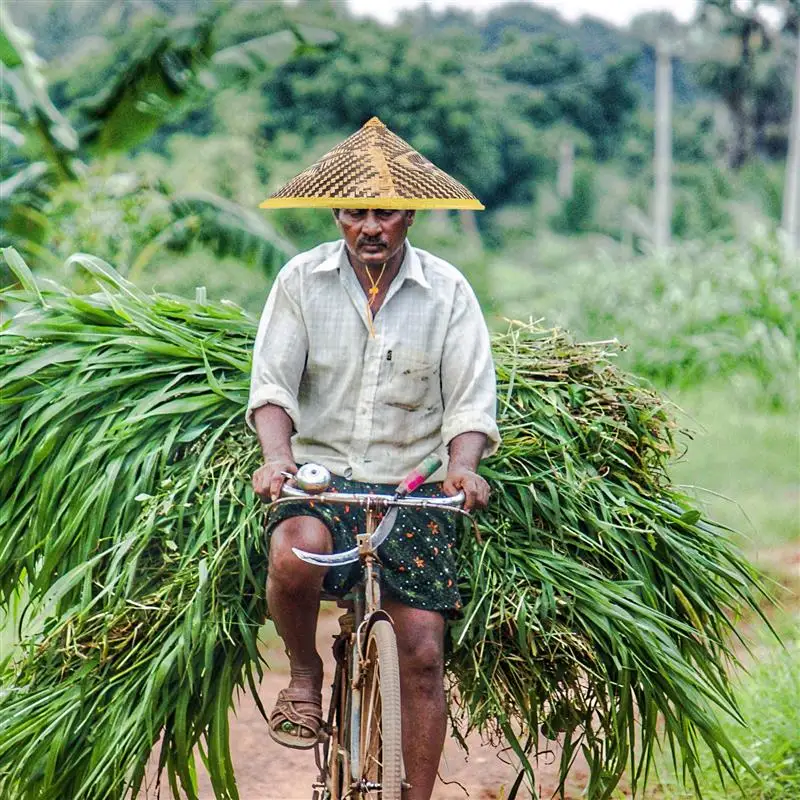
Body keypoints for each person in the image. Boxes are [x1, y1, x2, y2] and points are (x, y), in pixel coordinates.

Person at [247, 117, 500, 800]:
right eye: (355, 211)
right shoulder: (301, 280)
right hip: (322, 481)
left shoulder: (447, 292)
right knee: (292, 554)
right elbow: (272, 386)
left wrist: (464, 465)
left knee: (420, 652)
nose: (370, 226)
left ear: (409, 213)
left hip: (412, 488)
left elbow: (471, 402)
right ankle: (304, 676)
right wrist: (277, 459)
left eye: (384, 211)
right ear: (336, 212)